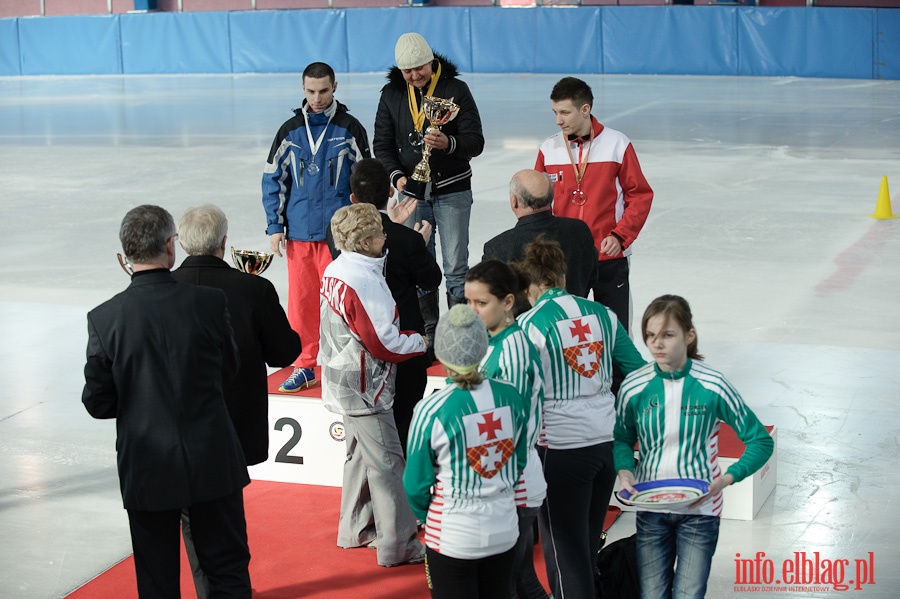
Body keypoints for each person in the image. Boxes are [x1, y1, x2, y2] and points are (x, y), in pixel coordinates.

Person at [82, 205, 251, 598]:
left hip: (147, 464)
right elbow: (230, 368)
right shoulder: (209, 303)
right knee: (226, 568)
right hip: (212, 455)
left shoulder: (105, 319)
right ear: (170, 247)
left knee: (156, 579)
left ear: (124, 257)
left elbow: (98, 402)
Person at [173, 204, 301, 599]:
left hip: (176, 430)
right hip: (232, 424)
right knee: (226, 519)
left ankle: (209, 590)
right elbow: (284, 352)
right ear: (224, 244)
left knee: (192, 519)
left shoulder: (161, 292)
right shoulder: (253, 288)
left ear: (179, 244)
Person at [614, 295, 774, 599]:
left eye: (667, 335)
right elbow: (622, 438)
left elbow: (760, 441)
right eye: (650, 336)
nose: (656, 344)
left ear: (690, 336)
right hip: (650, 508)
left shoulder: (713, 385)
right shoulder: (634, 386)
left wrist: (728, 478)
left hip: (701, 510)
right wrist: (624, 471)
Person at [516, 236, 646, 599]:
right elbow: (637, 373)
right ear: (561, 276)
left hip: (561, 448)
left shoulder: (531, 326)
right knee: (587, 547)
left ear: (532, 286)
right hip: (606, 444)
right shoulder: (603, 315)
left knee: (564, 555)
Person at [319, 202, 427, 567]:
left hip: (342, 379)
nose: (386, 237)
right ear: (366, 241)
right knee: (388, 464)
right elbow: (384, 342)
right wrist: (421, 342)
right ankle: (400, 544)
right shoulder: (364, 280)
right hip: (367, 387)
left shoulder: (337, 268)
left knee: (358, 457)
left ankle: (355, 528)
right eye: (381, 233)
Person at [404, 304, 530, 599]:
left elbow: (415, 485)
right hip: (504, 530)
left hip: (452, 536)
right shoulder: (511, 396)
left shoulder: (431, 410)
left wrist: (433, 514)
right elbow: (520, 460)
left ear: (442, 354)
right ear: (482, 347)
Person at [262, 61, 371, 393]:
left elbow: (366, 180)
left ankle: (348, 364)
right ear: (303, 89)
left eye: (324, 91)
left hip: (340, 236)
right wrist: (274, 225)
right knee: (302, 305)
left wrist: (364, 225)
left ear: (335, 87)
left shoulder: (350, 128)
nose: (317, 98)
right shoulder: (290, 131)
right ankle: (305, 364)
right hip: (299, 232)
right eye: (311, 91)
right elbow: (273, 180)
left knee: (344, 303)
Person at [374, 32, 485, 341]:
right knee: (416, 260)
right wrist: (397, 176)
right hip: (412, 196)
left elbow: (476, 141)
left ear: (431, 61)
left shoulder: (455, 90)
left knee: (455, 266)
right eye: (407, 71)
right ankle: (428, 332)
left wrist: (449, 143)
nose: (414, 76)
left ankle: (461, 332)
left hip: (453, 192)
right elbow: (381, 145)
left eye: (419, 68)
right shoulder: (392, 94)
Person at [326, 158, 443, 452]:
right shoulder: (407, 239)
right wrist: (419, 241)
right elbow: (432, 279)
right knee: (405, 427)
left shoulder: (337, 234)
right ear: (391, 194)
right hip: (404, 345)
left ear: (352, 198)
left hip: (358, 350)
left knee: (366, 445)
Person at [535, 76, 653, 333]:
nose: (558, 120)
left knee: (616, 331)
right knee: (565, 332)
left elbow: (640, 195)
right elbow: (538, 204)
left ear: (585, 109)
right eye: (555, 112)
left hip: (609, 254)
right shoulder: (549, 148)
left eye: (565, 112)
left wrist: (621, 236)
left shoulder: (617, 144)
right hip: (566, 259)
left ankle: (619, 375)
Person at [464, 260, 548, 599]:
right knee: (518, 578)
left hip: (512, 481)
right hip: (508, 477)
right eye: (468, 303)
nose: (472, 311)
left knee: (512, 582)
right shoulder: (497, 342)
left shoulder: (512, 350)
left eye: (481, 303)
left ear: (509, 302)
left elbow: (506, 426)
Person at [482, 169, 598, 315]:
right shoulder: (579, 230)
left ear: (514, 201)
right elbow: (592, 277)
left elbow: (490, 302)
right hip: (576, 325)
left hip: (523, 333)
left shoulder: (498, 247)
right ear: (551, 198)